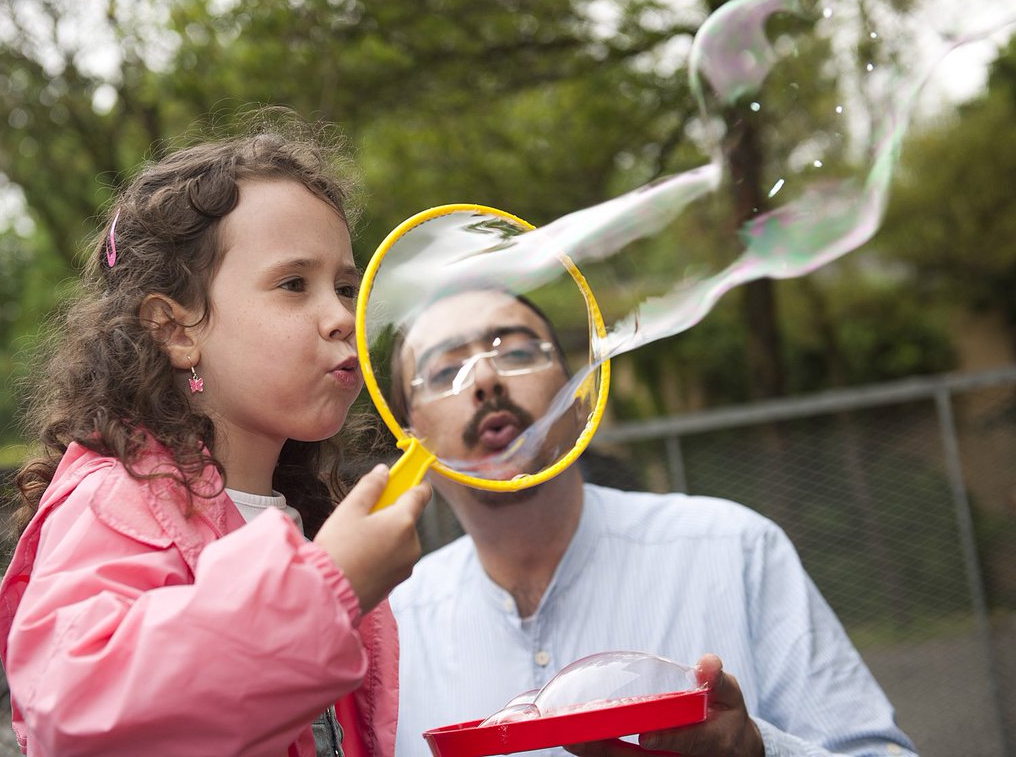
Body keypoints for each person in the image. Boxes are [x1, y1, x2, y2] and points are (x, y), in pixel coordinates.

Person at [0, 116, 431, 757]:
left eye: (346, 287)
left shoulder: (304, 519)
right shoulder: (118, 502)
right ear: (175, 329)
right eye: (293, 284)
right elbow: (79, 713)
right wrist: (327, 590)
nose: (341, 317)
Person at [386, 287, 917, 757]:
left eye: (518, 351)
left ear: (579, 397)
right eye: (444, 371)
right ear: (406, 433)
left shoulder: (735, 549)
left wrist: (760, 753)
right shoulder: (387, 627)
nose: (485, 378)